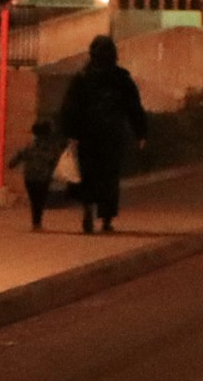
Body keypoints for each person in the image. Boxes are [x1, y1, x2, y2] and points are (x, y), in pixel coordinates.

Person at [60, 35, 146, 235]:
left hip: (87, 135)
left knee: (88, 175)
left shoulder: (82, 78)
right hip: (112, 134)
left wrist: (70, 133)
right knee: (109, 176)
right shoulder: (121, 79)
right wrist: (141, 132)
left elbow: (70, 108)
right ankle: (106, 218)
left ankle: (88, 210)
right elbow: (134, 107)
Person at [12, 117, 64, 228]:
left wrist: (13, 164)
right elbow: (55, 161)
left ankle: (36, 220)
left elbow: (20, 156)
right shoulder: (51, 148)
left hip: (30, 176)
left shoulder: (30, 146)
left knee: (34, 198)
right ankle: (37, 221)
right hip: (44, 176)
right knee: (40, 199)